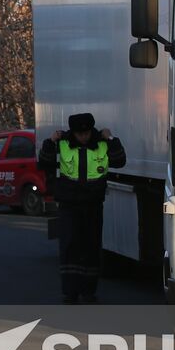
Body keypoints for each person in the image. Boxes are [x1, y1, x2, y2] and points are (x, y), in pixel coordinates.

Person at [38, 112, 126, 304]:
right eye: (79, 134)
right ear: (73, 132)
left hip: (93, 204)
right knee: (70, 247)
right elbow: (44, 161)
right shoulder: (63, 143)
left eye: (86, 133)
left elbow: (120, 161)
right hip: (69, 205)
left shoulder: (102, 143)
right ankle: (70, 291)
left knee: (91, 247)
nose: (83, 137)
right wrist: (50, 141)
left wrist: (111, 138)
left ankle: (88, 291)